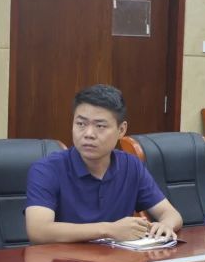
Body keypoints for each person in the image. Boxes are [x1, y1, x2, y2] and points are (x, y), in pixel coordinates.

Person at [25, 85, 183, 244]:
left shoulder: (131, 166)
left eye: (100, 126)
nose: (88, 134)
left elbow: (171, 214)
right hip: (64, 258)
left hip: (117, 258)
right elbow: (38, 231)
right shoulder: (47, 169)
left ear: (121, 130)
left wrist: (165, 225)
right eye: (81, 124)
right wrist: (109, 230)